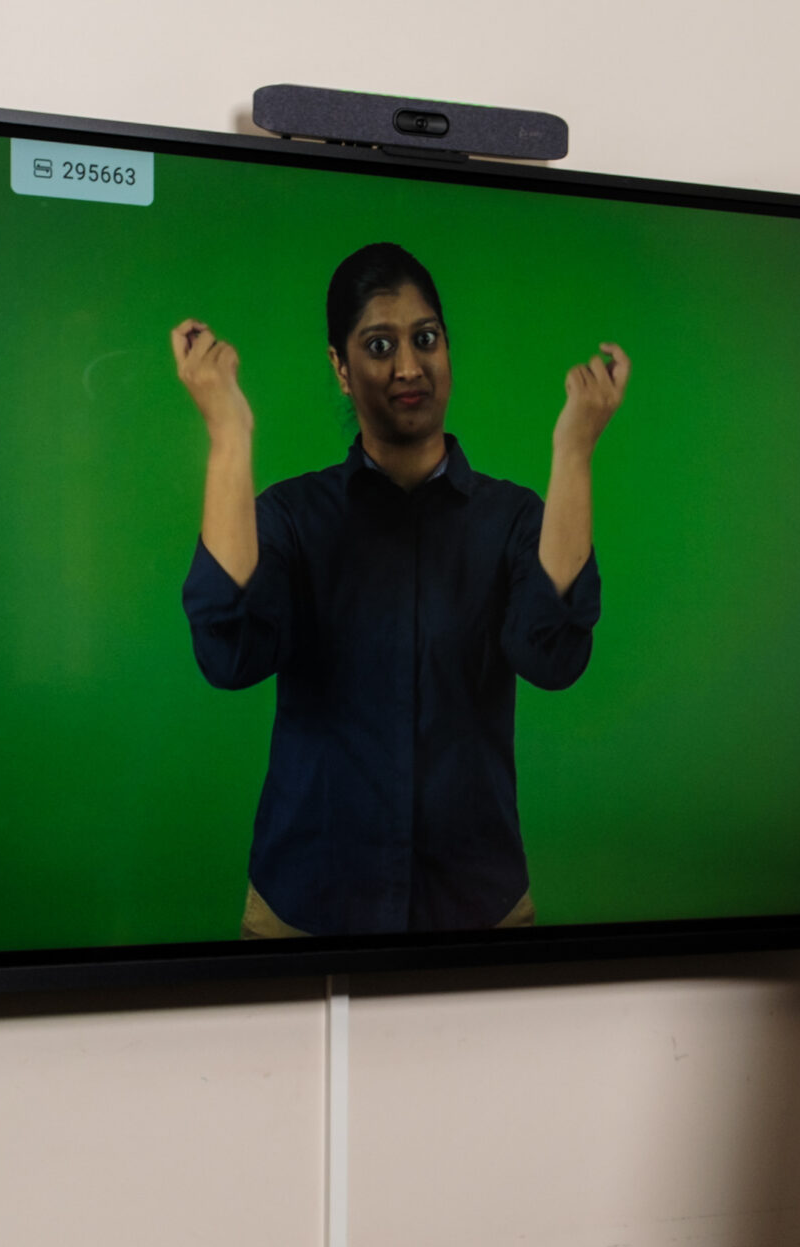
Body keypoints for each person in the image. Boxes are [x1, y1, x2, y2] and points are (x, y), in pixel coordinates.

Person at [169, 242, 630, 936]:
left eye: (426, 339)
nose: (409, 366)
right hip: (305, 910)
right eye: (379, 344)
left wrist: (574, 451)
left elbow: (553, 657)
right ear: (341, 367)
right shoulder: (291, 518)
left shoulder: (514, 520)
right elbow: (229, 654)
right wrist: (228, 432)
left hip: (479, 908)